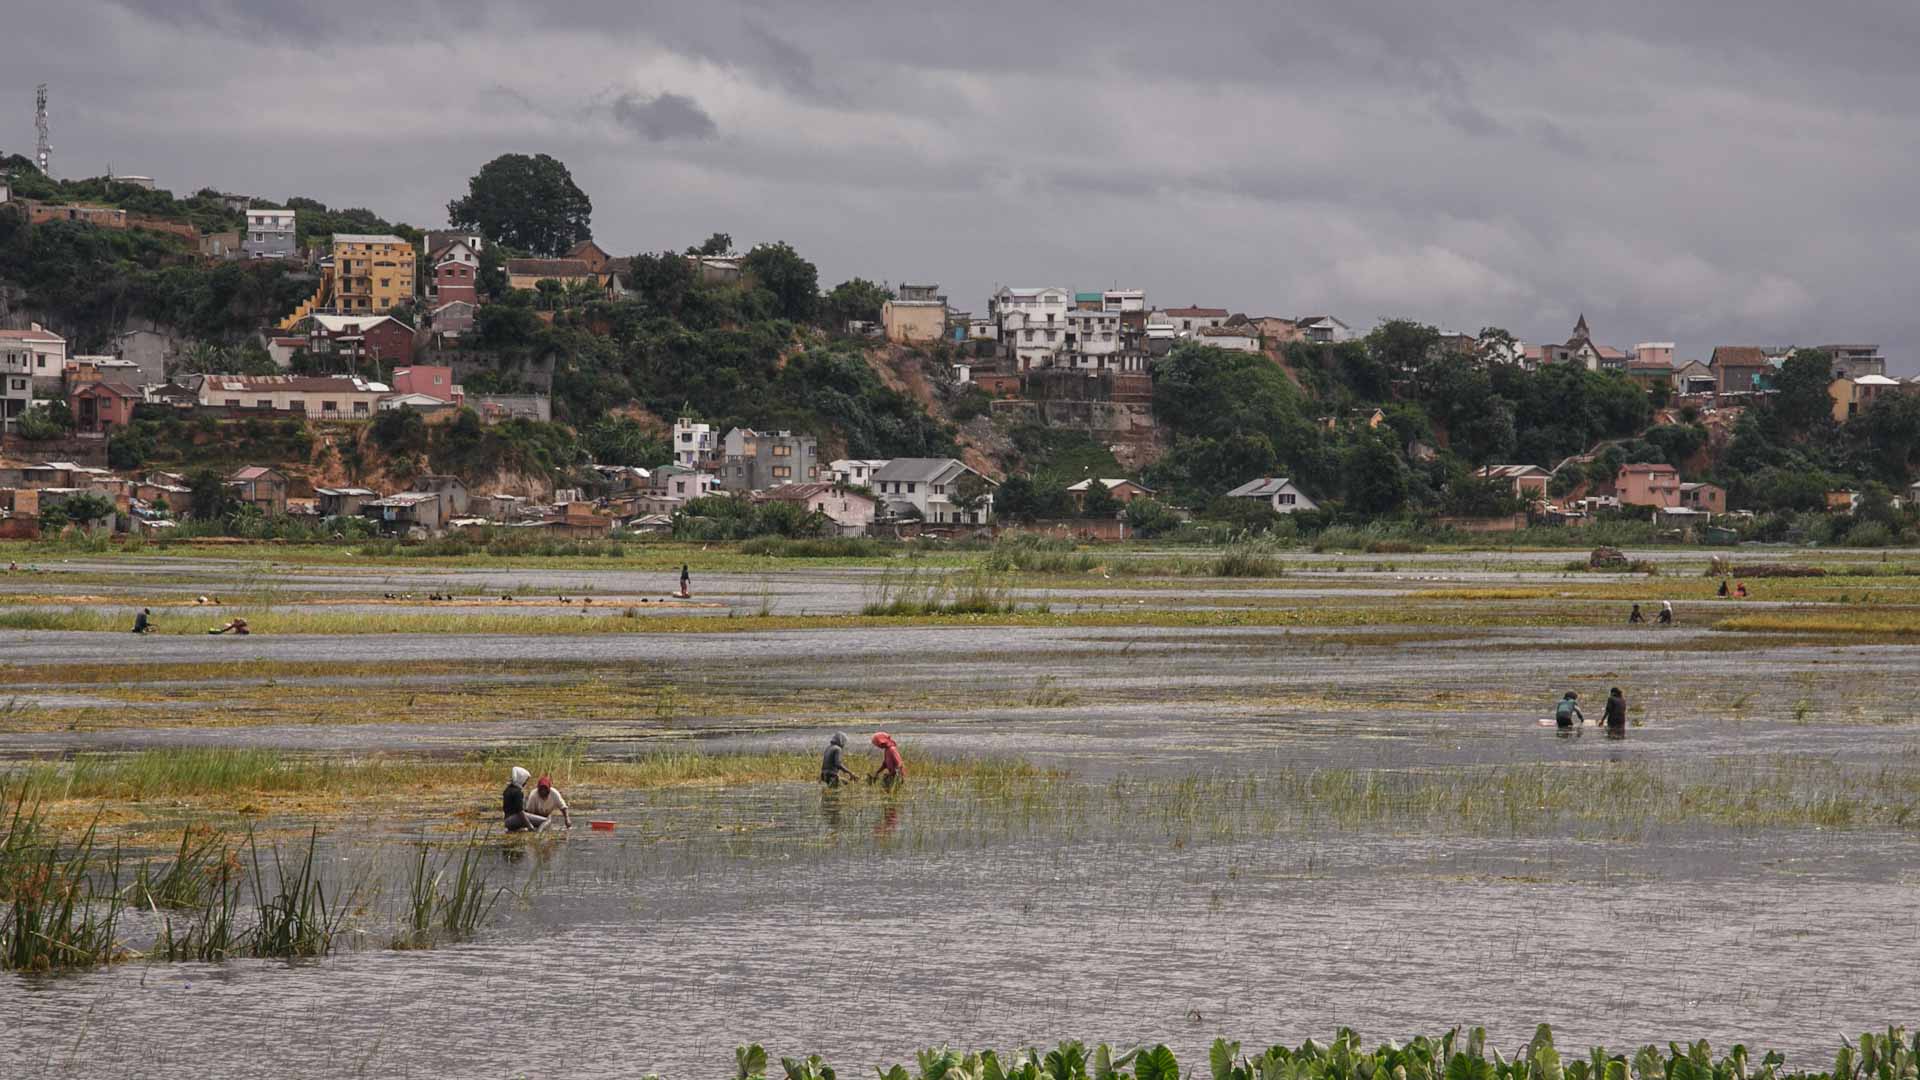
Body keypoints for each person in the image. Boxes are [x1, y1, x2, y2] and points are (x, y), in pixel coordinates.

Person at [502, 766, 547, 832]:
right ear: (521, 779)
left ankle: (517, 830)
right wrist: (529, 825)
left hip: (507, 821)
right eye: (525, 780)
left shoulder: (508, 789)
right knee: (546, 821)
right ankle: (538, 834)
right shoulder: (517, 792)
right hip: (514, 819)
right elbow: (520, 812)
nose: (525, 783)